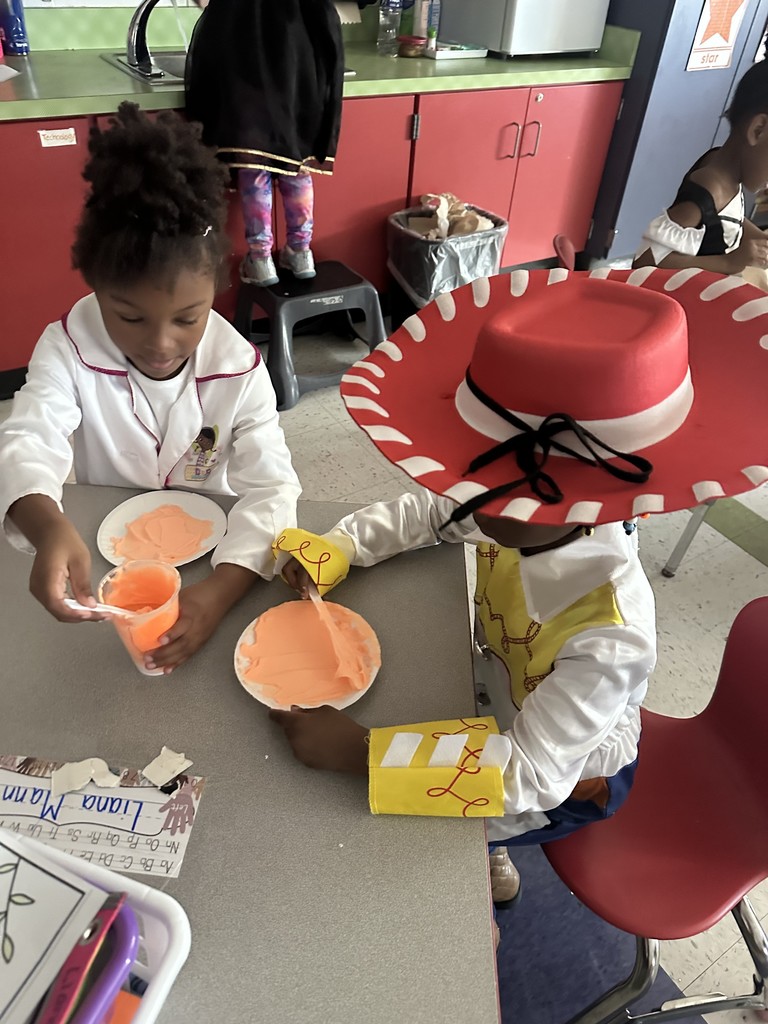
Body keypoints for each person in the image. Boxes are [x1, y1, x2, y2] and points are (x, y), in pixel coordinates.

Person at [268, 268, 768, 909]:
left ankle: (488, 868)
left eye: (474, 474)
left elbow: (532, 776)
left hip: (569, 775)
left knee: (411, 842)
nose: (457, 488)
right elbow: (431, 515)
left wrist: (364, 754)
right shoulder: (525, 510)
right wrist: (336, 547)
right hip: (501, 700)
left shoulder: (610, 634)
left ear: (557, 497)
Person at [0, 102, 301, 674]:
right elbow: (29, 437)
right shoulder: (66, 348)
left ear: (216, 286)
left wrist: (218, 594)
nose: (162, 344)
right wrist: (46, 527)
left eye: (188, 318)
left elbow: (273, 489)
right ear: (96, 289)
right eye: (130, 319)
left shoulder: (238, 367)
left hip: (214, 552)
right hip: (99, 548)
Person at [185, 0, 344, 287]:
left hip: (246, 62)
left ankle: (260, 260)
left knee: (253, 161)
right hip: (297, 60)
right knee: (296, 163)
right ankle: (300, 252)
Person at [634, 59, 768, 275]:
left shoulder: (728, 177)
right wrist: (729, 263)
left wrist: (756, 236)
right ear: (758, 131)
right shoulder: (711, 188)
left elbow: (723, 219)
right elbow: (645, 261)